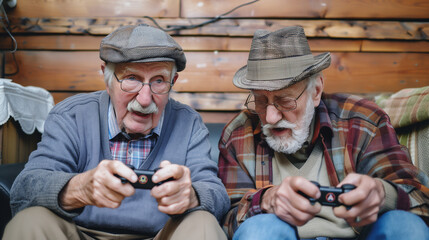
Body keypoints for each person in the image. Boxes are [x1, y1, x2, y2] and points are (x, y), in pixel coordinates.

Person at [3, 24, 229, 240]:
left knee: (202, 223)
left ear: (173, 81)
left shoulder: (188, 122)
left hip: (161, 235)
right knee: (30, 221)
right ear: (106, 77)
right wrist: (79, 188)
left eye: (159, 81)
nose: (145, 99)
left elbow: (216, 194)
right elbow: (25, 189)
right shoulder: (71, 115)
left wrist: (191, 196)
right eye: (132, 79)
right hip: (78, 233)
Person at [218, 26, 429, 240]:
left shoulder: (363, 121)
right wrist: (264, 201)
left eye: (285, 101)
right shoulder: (238, 134)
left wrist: (382, 193)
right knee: (259, 230)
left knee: (406, 226)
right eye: (261, 101)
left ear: (316, 91)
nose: (271, 117)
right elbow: (224, 222)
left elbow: (420, 198)